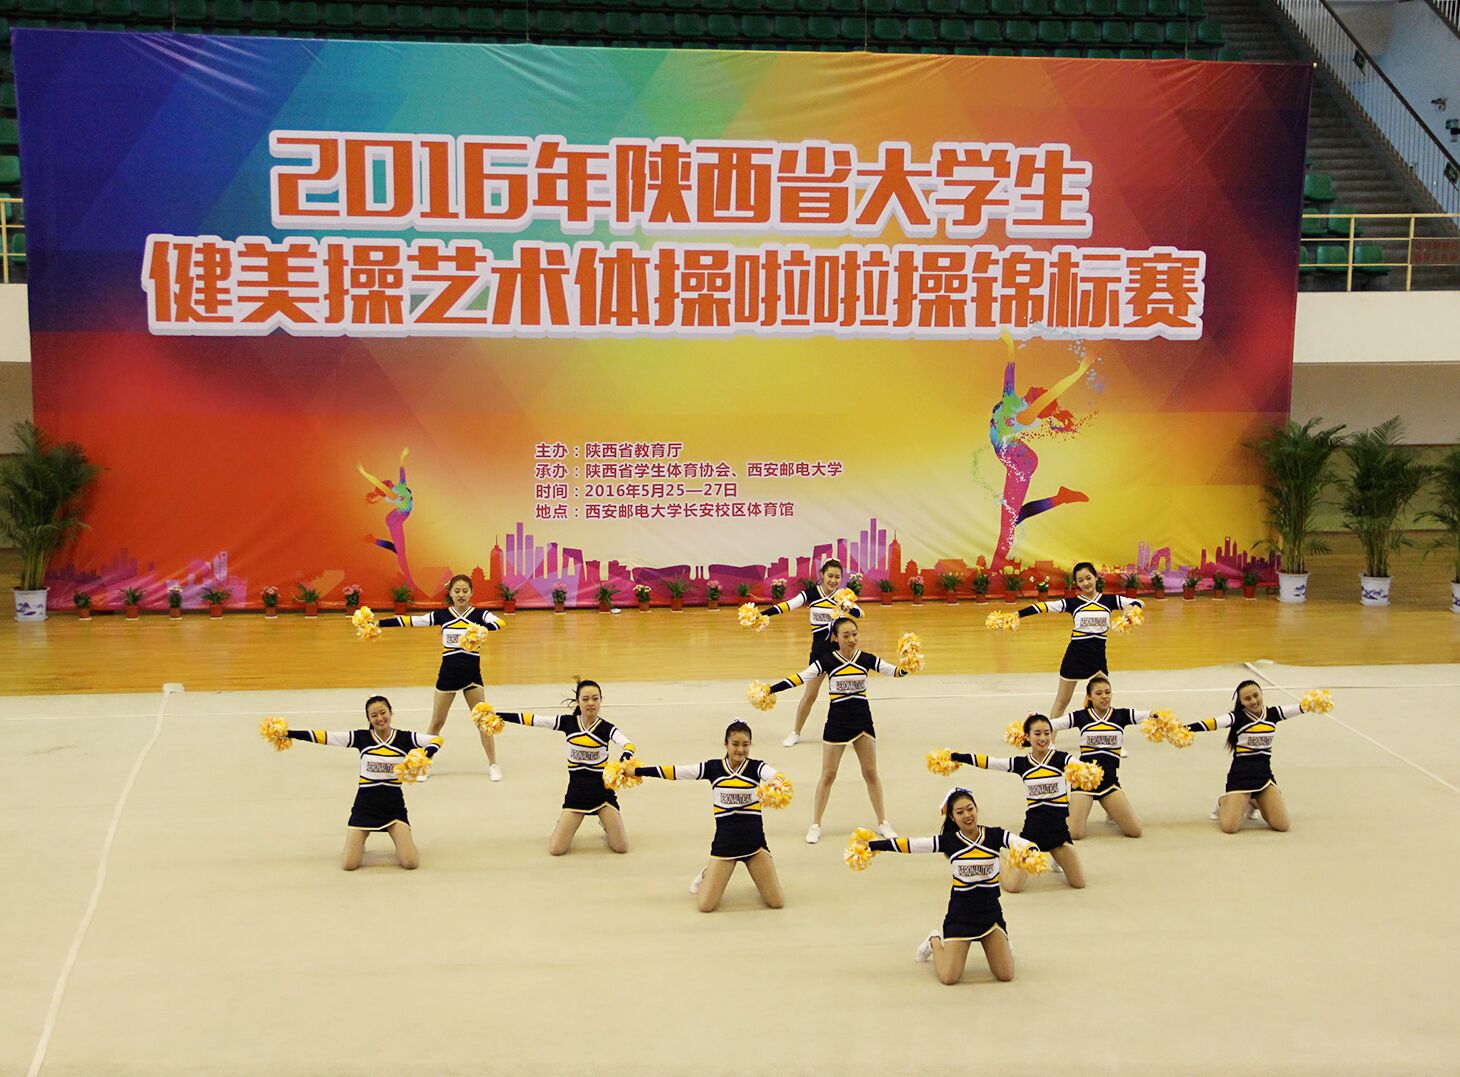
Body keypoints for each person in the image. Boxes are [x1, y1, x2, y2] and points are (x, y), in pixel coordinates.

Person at [865, 789, 1037, 986]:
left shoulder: (995, 835)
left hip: (990, 915)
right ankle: (934, 941)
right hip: (961, 916)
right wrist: (873, 846)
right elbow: (911, 845)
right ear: (953, 818)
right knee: (949, 977)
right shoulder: (949, 842)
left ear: (977, 809)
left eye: (970, 809)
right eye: (960, 812)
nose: (967, 815)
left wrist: (1031, 850)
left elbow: (1021, 843)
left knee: (1006, 975)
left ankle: (1000, 940)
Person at [758, 616, 904, 845]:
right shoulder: (827, 661)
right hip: (837, 723)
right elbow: (800, 677)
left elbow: (894, 671)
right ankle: (815, 824)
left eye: (854, 634)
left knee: (871, 773)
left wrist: (909, 664)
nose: (852, 639)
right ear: (835, 638)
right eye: (846, 635)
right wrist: (771, 689)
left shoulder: (866, 659)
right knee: (828, 775)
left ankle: (883, 822)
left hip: (863, 722)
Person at [630, 720, 787, 913]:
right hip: (725, 844)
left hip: (754, 845)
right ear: (726, 744)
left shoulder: (757, 767)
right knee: (705, 906)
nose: (740, 750)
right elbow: (678, 772)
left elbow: (778, 777)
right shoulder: (714, 768)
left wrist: (776, 785)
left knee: (776, 902)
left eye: (745, 744)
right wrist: (636, 771)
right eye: (735, 744)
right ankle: (708, 872)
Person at [279, 695, 440, 870]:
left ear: (390, 712)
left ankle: (401, 839)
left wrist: (425, 755)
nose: (380, 718)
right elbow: (326, 736)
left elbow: (436, 740)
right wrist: (289, 733)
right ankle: (359, 841)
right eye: (374, 715)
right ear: (368, 719)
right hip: (365, 806)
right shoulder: (361, 737)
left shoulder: (404, 738)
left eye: (383, 712)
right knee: (349, 864)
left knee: (410, 863)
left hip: (393, 806)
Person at [376, 573, 502, 781]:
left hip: (472, 677)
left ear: (472, 593)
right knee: (436, 722)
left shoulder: (480, 615)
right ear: (450, 593)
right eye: (457, 591)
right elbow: (411, 621)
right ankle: (424, 764)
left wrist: (480, 629)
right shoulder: (442, 616)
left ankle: (493, 764)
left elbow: (499, 623)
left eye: (465, 591)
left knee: (483, 722)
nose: (461, 595)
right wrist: (380, 624)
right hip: (447, 676)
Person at [988, 332, 1091, 573]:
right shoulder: (1011, 399)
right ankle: (1060, 498)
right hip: (1017, 456)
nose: (1040, 388)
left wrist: (1080, 371)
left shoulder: (1026, 414)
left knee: (1008, 526)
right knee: (1014, 518)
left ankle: (993, 572)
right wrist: (1010, 345)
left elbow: (1054, 391)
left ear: (1038, 402)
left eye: (1041, 393)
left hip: (1019, 463)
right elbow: (1009, 372)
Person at [948, 713, 1086, 891]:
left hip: (1059, 833)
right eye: (1037, 733)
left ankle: (1056, 856)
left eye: (1047, 733)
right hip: (1032, 834)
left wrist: (1086, 770)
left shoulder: (1062, 759)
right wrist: (960, 757)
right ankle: (996, 855)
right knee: (1013, 887)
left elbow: (1082, 768)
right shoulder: (1022, 763)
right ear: (1027, 736)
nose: (1043, 738)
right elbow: (991, 762)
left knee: (1079, 883)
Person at [497, 679, 633, 856]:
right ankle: (563, 822)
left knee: (621, 847)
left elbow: (628, 745)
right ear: (578, 701)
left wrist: (625, 756)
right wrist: (498, 715)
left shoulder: (606, 728)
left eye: (595, 698)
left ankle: (606, 823)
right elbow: (533, 720)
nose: (591, 703)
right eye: (585, 699)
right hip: (577, 794)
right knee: (556, 849)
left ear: (601, 700)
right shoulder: (567, 722)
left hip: (603, 793)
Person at [1182, 679, 1322, 834]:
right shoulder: (1237, 717)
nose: (1254, 701)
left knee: (1282, 825)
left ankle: (1254, 801)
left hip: (1264, 777)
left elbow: (1301, 707)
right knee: (1230, 828)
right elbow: (1214, 723)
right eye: (1247, 698)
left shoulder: (1273, 713)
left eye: (1256, 695)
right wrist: (1184, 728)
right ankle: (1224, 801)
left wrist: (1316, 702)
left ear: (1261, 693)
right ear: (1241, 702)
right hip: (1240, 777)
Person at [1013, 561, 1143, 719]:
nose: (1086, 583)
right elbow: (1044, 607)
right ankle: (1050, 734)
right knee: (1062, 701)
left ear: (1096, 577)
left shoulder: (1110, 600)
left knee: (1102, 700)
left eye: (1088, 578)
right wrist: (1017, 614)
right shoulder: (1072, 603)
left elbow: (1138, 602)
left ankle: (1097, 729)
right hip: (1075, 657)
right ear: (1076, 583)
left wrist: (1129, 610)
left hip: (1098, 659)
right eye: (1080, 580)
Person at [757, 558, 861, 748]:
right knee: (810, 695)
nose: (833, 580)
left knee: (848, 694)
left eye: (837, 577)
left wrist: (848, 607)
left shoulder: (842, 596)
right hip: (820, 653)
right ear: (822, 575)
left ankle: (855, 732)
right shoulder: (811, 594)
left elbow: (860, 614)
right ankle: (796, 732)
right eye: (830, 576)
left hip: (842, 654)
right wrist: (764, 614)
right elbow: (788, 605)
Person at [1050, 674, 1156, 839]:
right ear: (1089, 697)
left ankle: (1111, 808)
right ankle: (1069, 810)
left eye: (1107, 692)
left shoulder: (1121, 715)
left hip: (1109, 781)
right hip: (1085, 781)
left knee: (1135, 831)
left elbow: (1149, 715)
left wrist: (1162, 718)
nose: (1104, 696)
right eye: (1098, 693)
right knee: (1075, 833)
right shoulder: (1081, 716)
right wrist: (1032, 723)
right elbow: (1053, 724)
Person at [360, 447, 416, 589]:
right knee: (401, 556)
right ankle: (410, 583)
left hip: (395, 516)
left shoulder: (400, 487)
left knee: (398, 551)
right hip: (395, 520)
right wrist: (364, 472)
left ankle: (374, 540)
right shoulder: (393, 494)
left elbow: (401, 470)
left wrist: (403, 457)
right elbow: (379, 482)